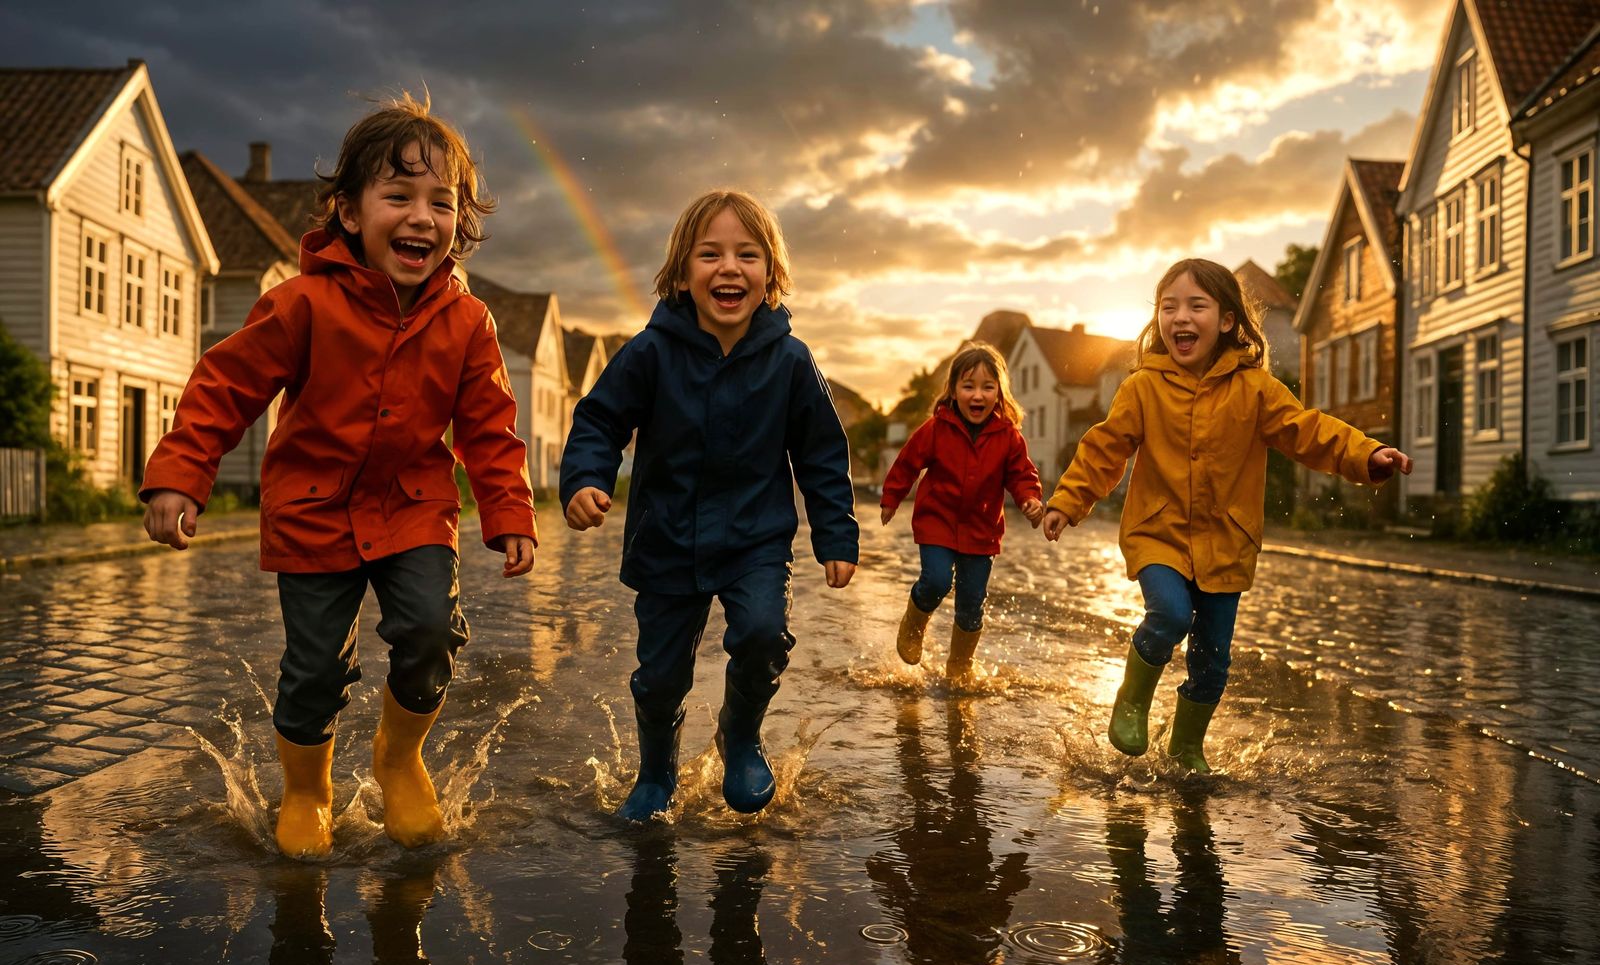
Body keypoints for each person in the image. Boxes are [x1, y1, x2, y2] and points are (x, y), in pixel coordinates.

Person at [139, 92, 537, 859]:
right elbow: (225, 387)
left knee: (431, 631)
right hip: (312, 510)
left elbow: (491, 427)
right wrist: (181, 473)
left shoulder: (468, 323)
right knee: (315, 667)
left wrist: (510, 513)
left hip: (415, 507)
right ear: (350, 213)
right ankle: (307, 790)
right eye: (399, 196)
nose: (422, 217)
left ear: (460, 222)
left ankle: (399, 757)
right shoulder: (300, 305)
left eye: (441, 202)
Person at [1042, 258, 1411, 772]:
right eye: (1168, 307)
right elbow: (1104, 449)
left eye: (1196, 306)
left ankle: (1186, 747)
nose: (1180, 317)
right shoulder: (1142, 387)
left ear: (1227, 320)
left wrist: (1366, 453)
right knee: (1170, 615)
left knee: (1213, 662)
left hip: (1227, 541)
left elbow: (1307, 430)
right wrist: (1067, 501)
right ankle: (1131, 698)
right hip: (1157, 533)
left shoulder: (1256, 389)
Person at [561, 189, 858, 822]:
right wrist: (585, 478)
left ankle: (740, 735)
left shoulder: (791, 360)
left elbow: (822, 453)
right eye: (710, 254)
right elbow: (599, 421)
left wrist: (836, 534)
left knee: (762, 633)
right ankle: (656, 773)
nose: (729, 267)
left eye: (747, 255)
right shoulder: (651, 352)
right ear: (681, 274)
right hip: (665, 539)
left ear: (771, 274)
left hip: (756, 540)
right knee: (661, 675)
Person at [880, 342, 1043, 682]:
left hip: (981, 530)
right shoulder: (936, 428)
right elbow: (908, 462)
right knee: (936, 580)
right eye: (968, 386)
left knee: (972, 603)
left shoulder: (1009, 437)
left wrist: (1029, 499)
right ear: (953, 391)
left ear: (999, 393)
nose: (977, 395)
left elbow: (1021, 475)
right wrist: (892, 497)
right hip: (937, 522)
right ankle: (913, 625)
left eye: (987, 387)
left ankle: (959, 666)